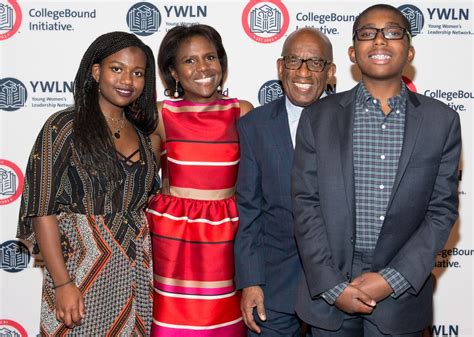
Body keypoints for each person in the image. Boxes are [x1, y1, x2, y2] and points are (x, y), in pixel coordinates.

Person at [292, 4, 461, 337]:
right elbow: (305, 205)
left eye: (393, 32)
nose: (380, 41)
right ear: (353, 53)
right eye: (368, 33)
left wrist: (392, 279)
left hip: (401, 293)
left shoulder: (441, 120)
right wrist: (331, 284)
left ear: (409, 50)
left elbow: (441, 211)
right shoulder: (317, 118)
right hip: (329, 289)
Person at [17, 32, 159, 336]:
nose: (127, 80)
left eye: (137, 73)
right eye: (116, 68)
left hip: (136, 270)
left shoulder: (145, 139)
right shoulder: (64, 126)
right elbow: (43, 210)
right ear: (96, 72)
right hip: (80, 270)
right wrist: (62, 283)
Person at [146, 24, 253, 336]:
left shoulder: (241, 111)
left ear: (221, 62)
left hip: (226, 238)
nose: (203, 67)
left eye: (210, 57)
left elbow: (255, 181)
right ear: (173, 72)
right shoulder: (161, 114)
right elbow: (138, 178)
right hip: (173, 237)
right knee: (171, 326)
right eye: (190, 61)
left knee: (226, 325)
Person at [234, 27, 335, 336]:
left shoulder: (349, 123)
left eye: (315, 63)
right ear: (280, 67)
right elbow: (248, 210)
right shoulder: (254, 126)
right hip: (274, 287)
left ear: (330, 72)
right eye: (294, 61)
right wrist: (251, 280)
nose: (303, 71)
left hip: (337, 286)